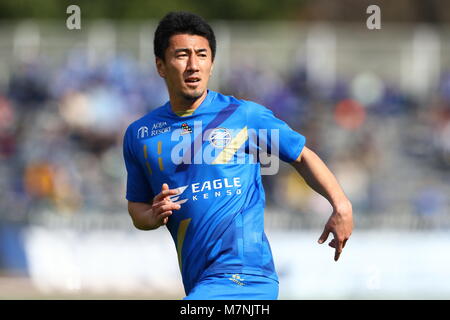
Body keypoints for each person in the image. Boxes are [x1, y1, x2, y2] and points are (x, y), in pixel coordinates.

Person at [123, 11, 353, 300]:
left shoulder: (243, 116)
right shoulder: (141, 134)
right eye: (182, 55)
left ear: (212, 63)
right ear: (160, 65)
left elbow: (301, 156)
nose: (193, 65)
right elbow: (137, 209)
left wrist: (341, 205)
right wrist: (153, 216)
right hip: (200, 281)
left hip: (246, 276)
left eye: (202, 55)